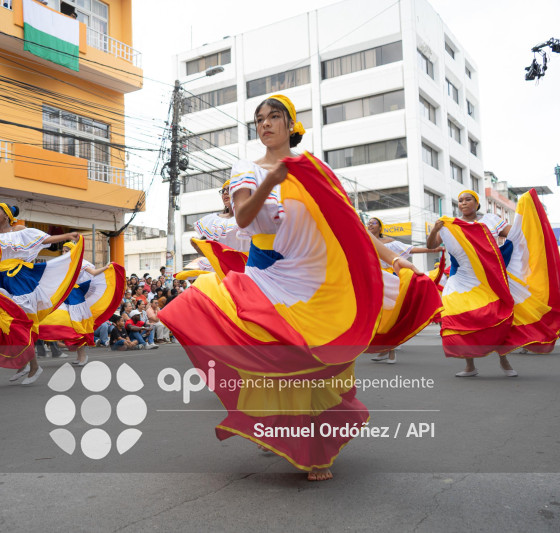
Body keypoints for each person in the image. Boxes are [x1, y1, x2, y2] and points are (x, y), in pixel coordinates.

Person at [159, 94, 421, 481]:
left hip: (313, 279)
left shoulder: (314, 170)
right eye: (259, 119)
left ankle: (316, 449)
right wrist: (272, 182)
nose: (265, 124)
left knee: (315, 361)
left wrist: (394, 260)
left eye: (274, 117)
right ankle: (278, 428)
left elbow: (350, 226)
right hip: (264, 275)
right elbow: (245, 218)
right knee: (265, 352)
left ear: (290, 124)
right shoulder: (247, 167)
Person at [0, 202, 82, 384]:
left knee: (19, 323)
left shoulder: (21, 232)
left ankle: (33, 366)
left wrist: (68, 235)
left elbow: (45, 240)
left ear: (6, 215)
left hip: (20, 280)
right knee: (9, 324)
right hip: (2, 280)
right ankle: (23, 364)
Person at [427, 190, 515, 375]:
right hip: (461, 279)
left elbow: (515, 235)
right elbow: (431, 246)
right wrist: (435, 229)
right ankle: (470, 366)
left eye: (468, 200)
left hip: (489, 278)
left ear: (477, 204)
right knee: (459, 316)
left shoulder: (490, 220)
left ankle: (504, 360)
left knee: (495, 316)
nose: (464, 203)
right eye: (460, 200)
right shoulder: (449, 225)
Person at [365, 217, 443, 364]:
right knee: (376, 316)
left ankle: (391, 351)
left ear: (381, 227)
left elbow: (411, 249)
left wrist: (433, 249)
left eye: (373, 223)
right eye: (368, 223)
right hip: (372, 278)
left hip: (388, 279)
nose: (370, 225)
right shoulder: (363, 238)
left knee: (388, 314)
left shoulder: (390, 243)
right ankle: (382, 349)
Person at [39, 242, 126, 365]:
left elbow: (94, 273)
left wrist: (107, 267)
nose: (63, 253)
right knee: (62, 321)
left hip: (76, 299)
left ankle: (82, 356)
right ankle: (77, 355)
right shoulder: (64, 265)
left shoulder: (81, 263)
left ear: (73, 251)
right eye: (63, 251)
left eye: (66, 251)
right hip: (66, 296)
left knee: (77, 329)